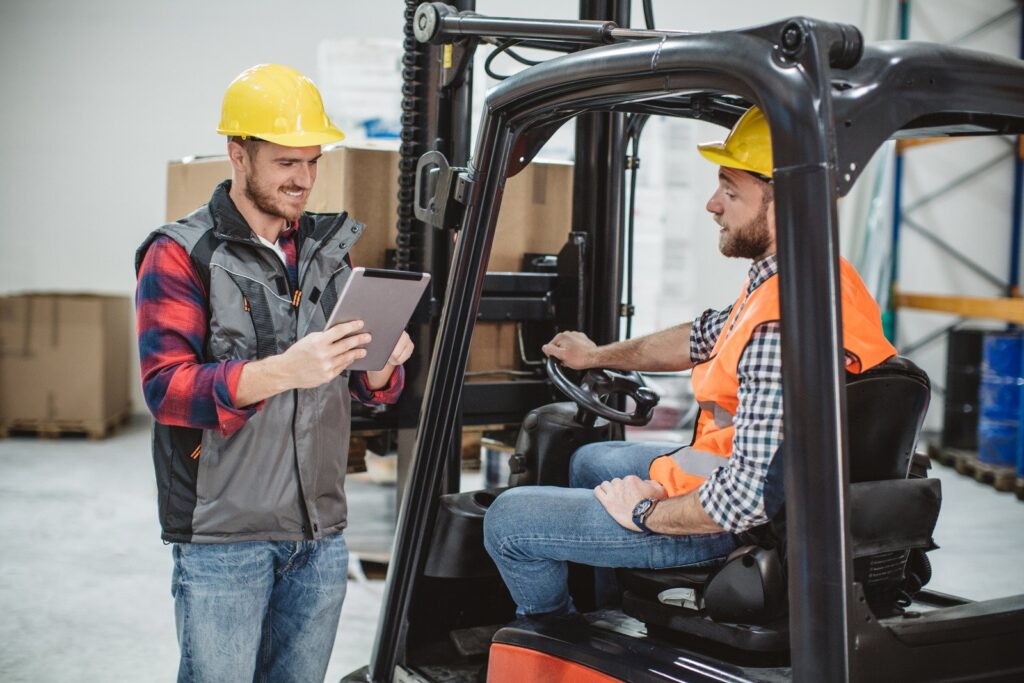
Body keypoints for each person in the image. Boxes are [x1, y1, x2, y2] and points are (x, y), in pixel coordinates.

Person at [482, 106, 896, 618]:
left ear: (782, 201)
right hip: (777, 490)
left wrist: (646, 511)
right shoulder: (805, 278)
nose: (711, 204)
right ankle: (615, 615)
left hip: (739, 527)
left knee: (509, 521)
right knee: (591, 461)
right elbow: (697, 339)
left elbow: (747, 498)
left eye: (729, 188)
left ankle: (551, 639)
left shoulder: (779, 325)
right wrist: (595, 355)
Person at [134, 64, 413, 682]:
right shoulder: (181, 253)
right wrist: (283, 371)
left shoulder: (328, 250)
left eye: (312, 161)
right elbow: (167, 391)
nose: (304, 179)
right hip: (224, 536)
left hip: (319, 532)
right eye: (287, 162)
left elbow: (365, 390)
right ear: (239, 154)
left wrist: (380, 367)